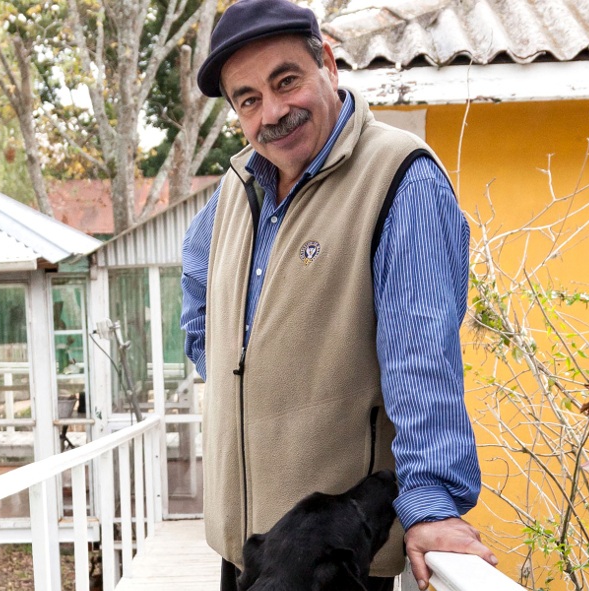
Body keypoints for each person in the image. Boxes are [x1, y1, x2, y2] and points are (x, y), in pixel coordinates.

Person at [180, 1, 497, 589]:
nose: (273, 112)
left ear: (327, 62)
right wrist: (246, 379)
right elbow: (200, 306)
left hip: (336, 561)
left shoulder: (400, 177)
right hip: (249, 553)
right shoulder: (233, 189)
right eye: (248, 99)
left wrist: (430, 504)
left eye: (286, 81)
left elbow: (421, 359)